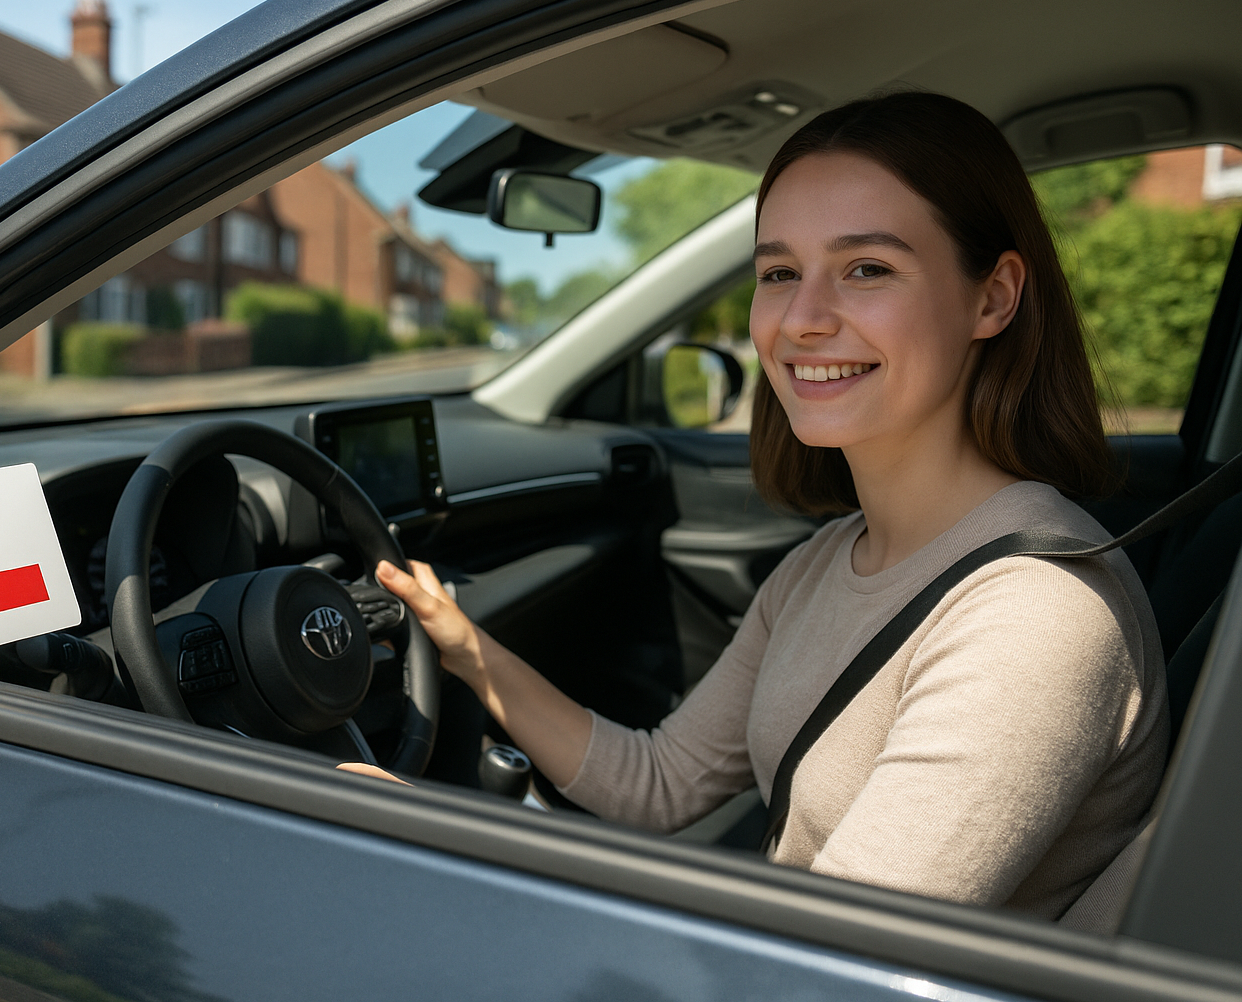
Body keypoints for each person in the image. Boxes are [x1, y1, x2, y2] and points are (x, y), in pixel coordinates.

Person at [361, 91, 1169, 923]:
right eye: (779, 274)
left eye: (867, 268)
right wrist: (465, 650)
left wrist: (432, 843)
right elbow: (659, 782)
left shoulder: (1036, 613)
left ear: (992, 298)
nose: (803, 320)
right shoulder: (826, 560)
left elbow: (828, 954)